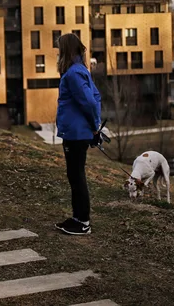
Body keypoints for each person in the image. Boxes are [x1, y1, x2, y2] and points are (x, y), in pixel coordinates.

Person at [54, 33, 102, 236]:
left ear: (66, 50)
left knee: (76, 176)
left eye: (59, 50)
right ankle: (77, 218)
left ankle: (82, 221)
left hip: (76, 133)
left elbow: (90, 101)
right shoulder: (81, 70)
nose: (58, 54)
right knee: (75, 175)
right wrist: (94, 125)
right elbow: (96, 96)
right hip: (77, 131)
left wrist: (94, 126)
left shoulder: (74, 74)